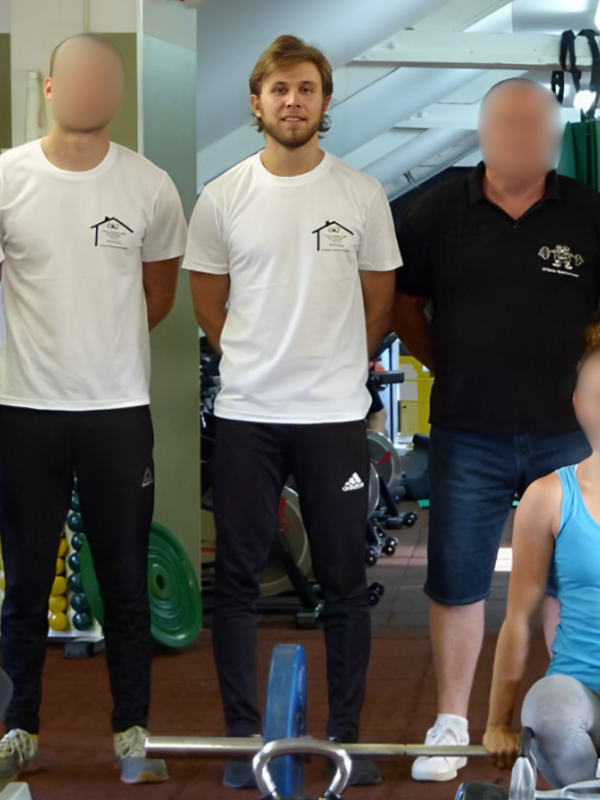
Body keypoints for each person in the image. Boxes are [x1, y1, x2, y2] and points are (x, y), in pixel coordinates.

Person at [184, 34, 400, 789]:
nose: (292, 101)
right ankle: (243, 740)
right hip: (248, 415)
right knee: (237, 580)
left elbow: (379, 305)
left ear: (325, 100)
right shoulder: (223, 196)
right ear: (256, 102)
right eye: (279, 89)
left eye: (306, 88)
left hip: (333, 417)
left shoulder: (361, 195)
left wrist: (330, 366)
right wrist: (259, 359)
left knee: (343, 580)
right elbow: (208, 305)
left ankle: (347, 740)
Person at [393, 77, 599, 782]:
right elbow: (406, 304)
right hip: (468, 430)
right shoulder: (436, 212)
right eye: (506, 122)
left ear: (556, 137)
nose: (520, 135)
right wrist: (449, 363)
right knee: (457, 581)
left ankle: (570, 715)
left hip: (567, 435)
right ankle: (451, 723)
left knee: (568, 582)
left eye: (535, 124)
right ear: (482, 133)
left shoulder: (590, 214)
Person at [0, 34, 187, 783]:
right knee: (24, 578)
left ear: (115, 93)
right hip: (24, 410)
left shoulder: (149, 186)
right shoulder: (7, 177)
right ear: (49, 88)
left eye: (101, 78)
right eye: (72, 77)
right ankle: (19, 729)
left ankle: (132, 732)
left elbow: (157, 295)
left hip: (117, 412)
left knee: (125, 577)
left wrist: (100, 351)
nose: (86, 89)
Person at [484, 316, 600, 787]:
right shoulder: (549, 497)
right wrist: (497, 723)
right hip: (579, 695)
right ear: (579, 404)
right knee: (548, 709)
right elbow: (520, 617)